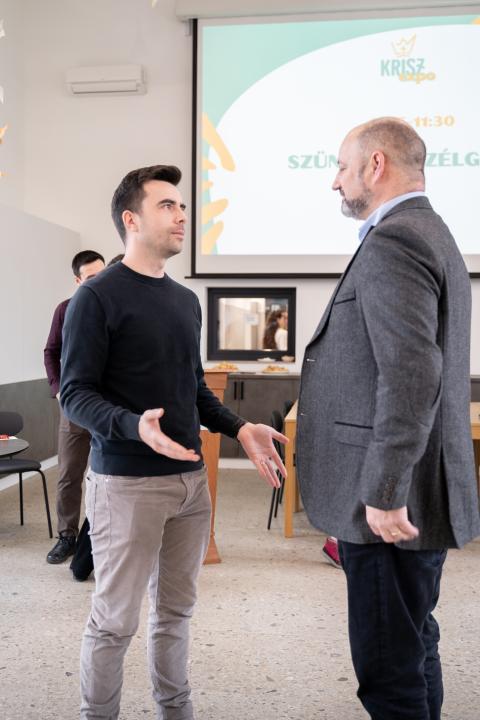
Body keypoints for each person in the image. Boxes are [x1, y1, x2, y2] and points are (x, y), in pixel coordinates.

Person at [60, 164, 287, 720]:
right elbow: (74, 394)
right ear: (131, 219)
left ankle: (175, 710)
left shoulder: (185, 301)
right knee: (114, 622)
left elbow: (194, 390)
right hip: (126, 486)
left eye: (182, 205)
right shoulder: (97, 297)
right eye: (167, 205)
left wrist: (240, 427)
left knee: (176, 615)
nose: (182, 214)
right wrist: (131, 424)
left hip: (190, 486)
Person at [296, 117, 480, 719]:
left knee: (389, 671)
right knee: (414, 640)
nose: (335, 181)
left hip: (389, 504)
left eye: (341, 167)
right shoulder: (431, 231)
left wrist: (384, 491)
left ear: (376, 165)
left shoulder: (396, 239)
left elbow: (411, 375)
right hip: (416, 489)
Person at [44, 250, 105, 564]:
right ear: (78, 280)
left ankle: (99, 537)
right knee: (69, 474)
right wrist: (58, 391)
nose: (100, 281)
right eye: (92, 277)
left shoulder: (115, 306)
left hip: (108, 407)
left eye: (103, 274)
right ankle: (67, 537)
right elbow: (51, 352)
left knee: (108, 476)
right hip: (73, 406)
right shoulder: (65, 310)